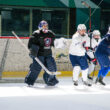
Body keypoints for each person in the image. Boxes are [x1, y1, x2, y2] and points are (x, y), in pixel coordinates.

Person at [25, 20, 59, 86]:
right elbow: (30, 45)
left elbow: (54, 44)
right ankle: (29, 81)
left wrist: (59, 44)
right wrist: (32, 51)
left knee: (52, 67)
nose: (45, 27)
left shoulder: (51, 34)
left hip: (48, 54)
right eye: (43, 26)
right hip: (39, 55)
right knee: (36, 68)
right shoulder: (36, 34)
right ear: (40, 26)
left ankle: (50, 80)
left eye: (46, 26)